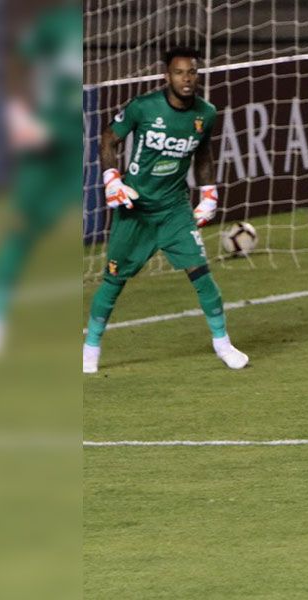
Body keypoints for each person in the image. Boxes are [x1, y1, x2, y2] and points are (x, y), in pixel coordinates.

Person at [81, 46, 247, 373]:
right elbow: (108, 138)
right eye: (179, 72)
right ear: (166, 76)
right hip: (136, 210)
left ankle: (223, 344)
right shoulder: (143, 108)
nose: (187, 79)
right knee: (114, 281)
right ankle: (91, 347)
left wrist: (209, 194)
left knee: (201, 274)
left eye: (192, 72)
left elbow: (202, 155)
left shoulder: (206, 113)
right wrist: (112, 179)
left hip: (174, 210)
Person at [0, 3, 81, 356]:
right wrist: (20, 114)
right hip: (44, 140)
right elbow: (16, 62)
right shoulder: (56, 24)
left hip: (78, 150)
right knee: (21, 227)